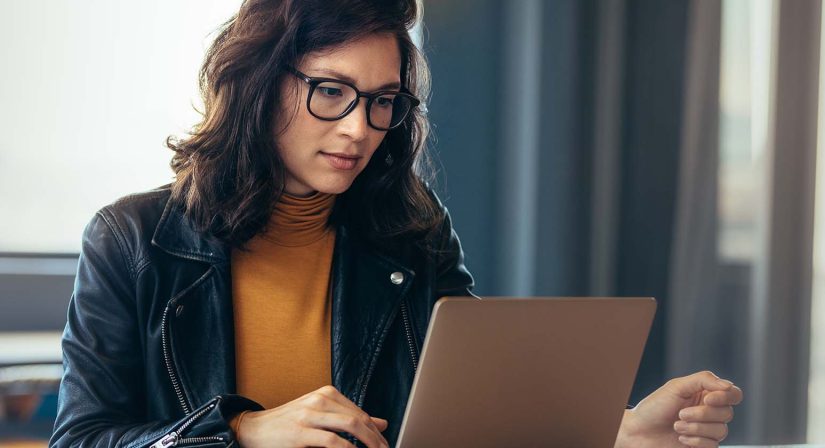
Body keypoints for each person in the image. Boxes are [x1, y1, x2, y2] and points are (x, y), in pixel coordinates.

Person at [49, 0, 743, 447]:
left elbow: (476, 411)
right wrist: (243, 432)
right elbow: (82, 440)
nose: (359, 128)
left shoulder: (411, 228)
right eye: (331, 91)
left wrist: (618, 433)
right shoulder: (132, 240)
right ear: (258, 85)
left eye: (382, 101)